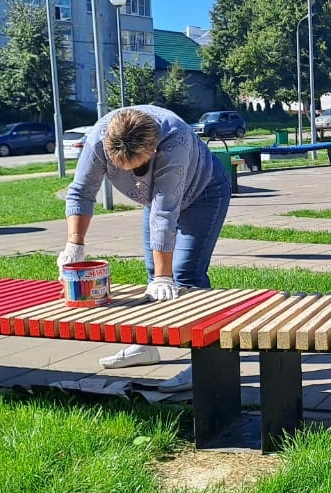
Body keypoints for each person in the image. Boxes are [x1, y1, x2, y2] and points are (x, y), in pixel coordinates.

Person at [59, 104, 232, 393]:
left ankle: (204, 364)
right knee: (153, 275)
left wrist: (166, 277)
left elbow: (164, 214)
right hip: (155, 200)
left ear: (153, 148)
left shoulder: (174, 141)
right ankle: (147, 345)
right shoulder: (99, 138)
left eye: (138, 166)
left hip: (204, 193)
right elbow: (81, 192)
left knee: (184, 274)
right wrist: (74, 244)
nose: (134, 174)